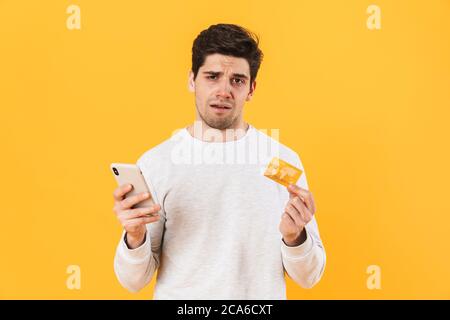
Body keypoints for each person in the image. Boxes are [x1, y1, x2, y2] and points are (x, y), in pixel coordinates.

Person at [112, 24, 326, 299]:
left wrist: (295, 238)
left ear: (251, 89)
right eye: (212, 76)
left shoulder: (281, 162)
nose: (224, 90)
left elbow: (309, 277)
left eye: (237, 80)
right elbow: (133, 281)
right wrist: (134, 236)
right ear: (192, 80)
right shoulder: (157, 163)